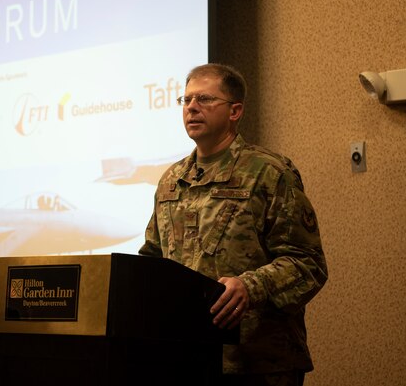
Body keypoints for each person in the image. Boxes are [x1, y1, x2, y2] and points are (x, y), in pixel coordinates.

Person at [139, 63, 328, 386]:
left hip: (256, 362)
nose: (192, 107)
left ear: (235, 111)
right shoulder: (172, 179)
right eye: (186, 100)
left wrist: (250, 287)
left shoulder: (269, 173)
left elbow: (308, 264)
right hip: (185, 358)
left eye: (204, 99)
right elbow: (152, 260)